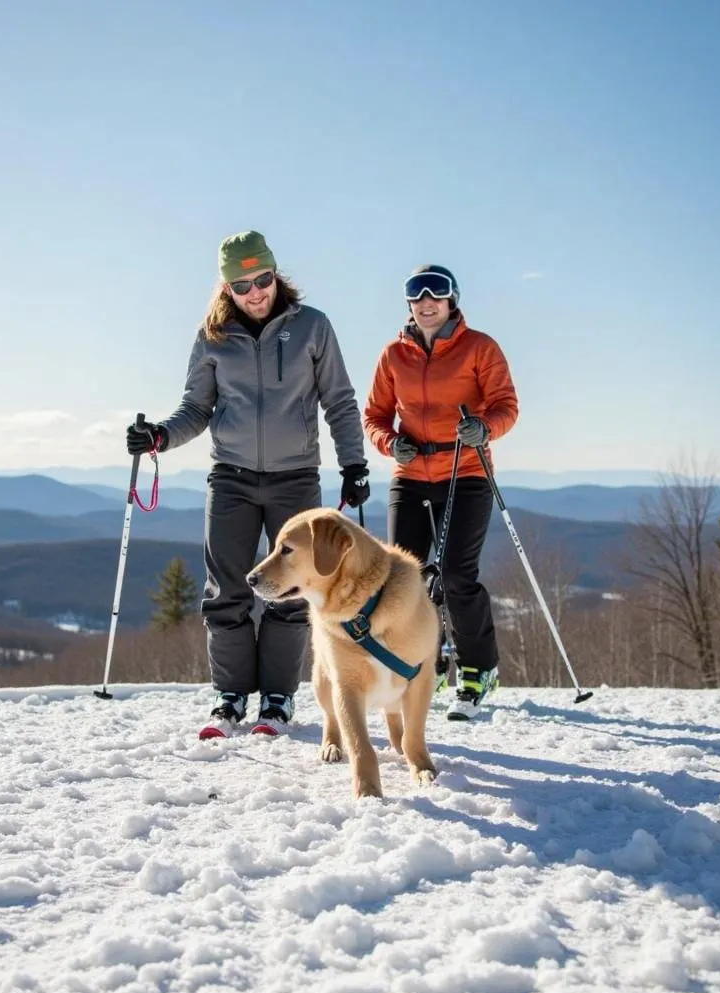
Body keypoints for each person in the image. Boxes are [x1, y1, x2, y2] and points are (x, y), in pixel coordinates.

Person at [126, 230, 370, 738]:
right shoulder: (212, 337)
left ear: (276, 275)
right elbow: (197, 409)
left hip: (295, 479)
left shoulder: (312, 327)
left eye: (263, 280)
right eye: (243, 285)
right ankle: (230, 696)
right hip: (231, 477)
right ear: (226, 288)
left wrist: (354, 465)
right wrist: (160, 436)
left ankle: (278, 699)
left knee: (292, 587)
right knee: (227, 590)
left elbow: (340, 401)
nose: (256, 292)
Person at [363, 264, 518, 720]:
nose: (427, 300)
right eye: (416, 292)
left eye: (437, 292)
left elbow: (506, 405)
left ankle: (478, 670)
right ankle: (414, 667)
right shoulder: (393, 355)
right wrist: (392, 443)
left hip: (466, 470)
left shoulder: (479, 347)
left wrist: (483, 427)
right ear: (408, 303)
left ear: (452, 299)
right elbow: (374, 416)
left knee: (454, 573)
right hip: (411, 476)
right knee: (402, 580)